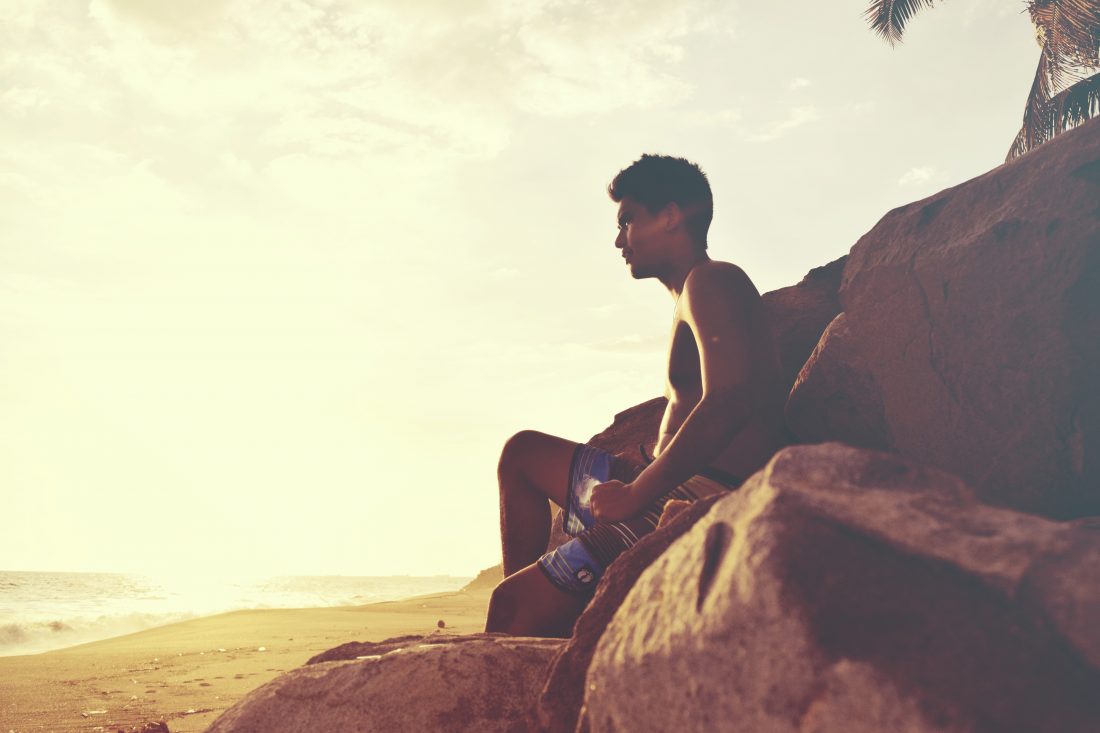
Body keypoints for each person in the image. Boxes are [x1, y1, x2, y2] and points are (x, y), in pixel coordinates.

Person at [485, 154, 787, 637]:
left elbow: (730, 398)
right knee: (523, 453)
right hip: (660, 482)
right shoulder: (692, 291)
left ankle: (530, 632)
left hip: (692, 501)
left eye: (628, 220)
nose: (619, 238)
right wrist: (644, 463)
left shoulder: (713, 279)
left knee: (509, 609)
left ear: (670, 216)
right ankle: (539, 603)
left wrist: (633, 495)